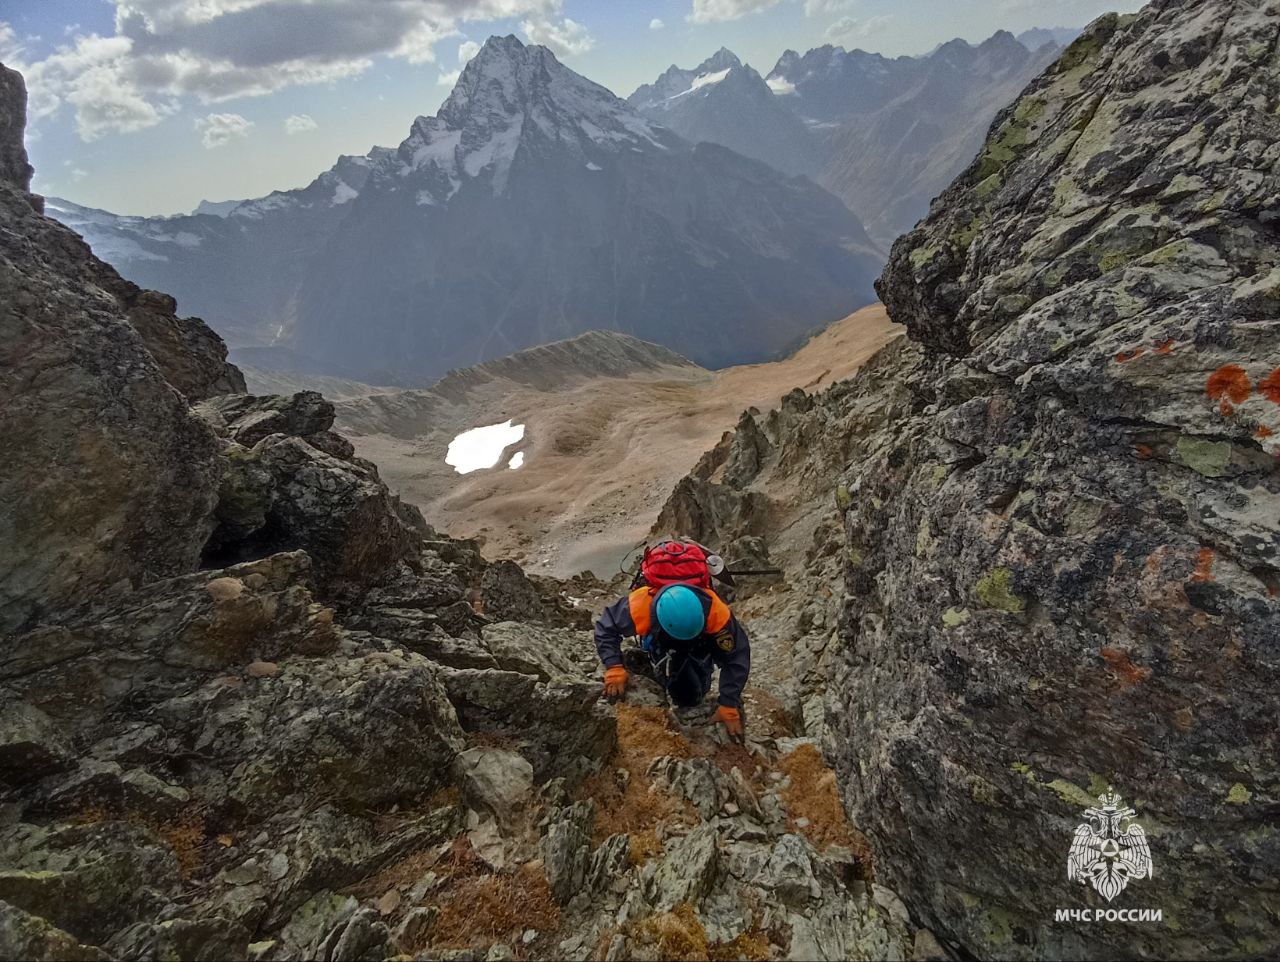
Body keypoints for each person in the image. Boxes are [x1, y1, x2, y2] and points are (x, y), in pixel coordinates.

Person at [594, 578, 751, 742]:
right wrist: (614, 666)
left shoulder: (717, 613)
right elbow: (606, 628)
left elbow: (736, 656)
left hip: (700, 645)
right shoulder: (641, 605)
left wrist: (728, 703)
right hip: (662, 642)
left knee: (692, 693)